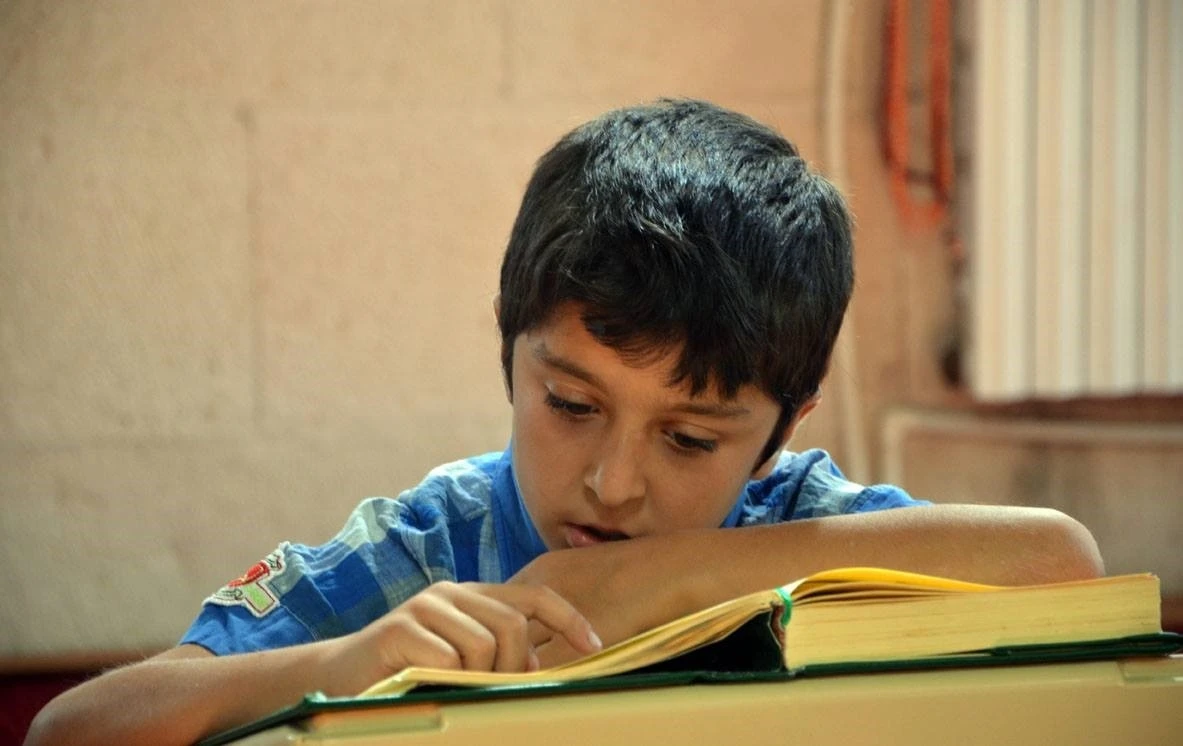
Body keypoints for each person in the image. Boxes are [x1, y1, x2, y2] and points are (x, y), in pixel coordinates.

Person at [26, 99, 1103, 745]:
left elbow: (1060, 562)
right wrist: (344, 661)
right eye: (573, 405)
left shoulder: (798, 523)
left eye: (689, 438)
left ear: (784, 426)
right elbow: (69, 730)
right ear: (509, 351)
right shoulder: (431, 548)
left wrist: (662, 577)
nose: (612, 483)